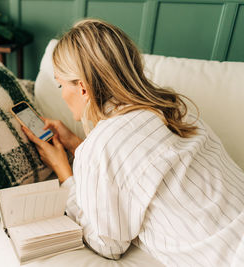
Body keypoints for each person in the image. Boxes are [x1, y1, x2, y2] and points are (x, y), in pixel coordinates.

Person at [21, 18, 244, 267]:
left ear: (82, 88)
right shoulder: (176, 107)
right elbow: (138, 163)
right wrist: (75, 144)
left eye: (60, 84)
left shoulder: (100, 148)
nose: (62, 93)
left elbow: (108, 245)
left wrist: (64, 172)